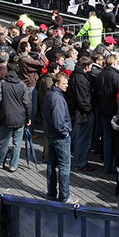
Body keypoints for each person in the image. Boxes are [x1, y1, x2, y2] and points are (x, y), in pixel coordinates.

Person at [0, 57, 31, 172]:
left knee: (4, 141)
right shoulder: (22, 85)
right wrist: (28, 117)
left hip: (6, 116)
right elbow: (27, 103)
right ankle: (13, 165)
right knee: (17, 143)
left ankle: (0, 162)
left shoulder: (2, 83)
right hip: (20, 117)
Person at [43, 71, 75, 204]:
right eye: (64, 83)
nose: (67, 85)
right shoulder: (57, 98)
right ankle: (64, 195)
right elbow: (58, 120)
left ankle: (51, 192)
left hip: (51, 134)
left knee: (51, 164)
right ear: (57, 83)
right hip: (59, 136)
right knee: (64, 166)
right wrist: (65, 132)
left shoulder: (50, 94)